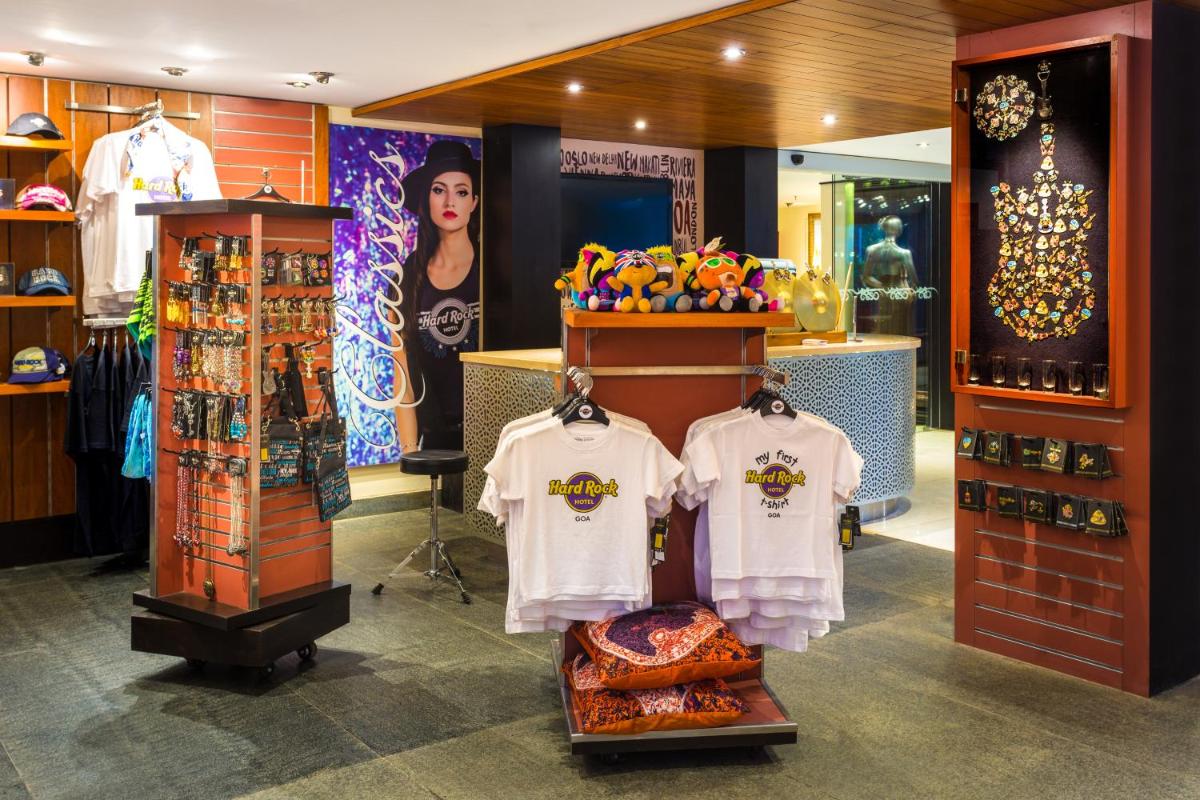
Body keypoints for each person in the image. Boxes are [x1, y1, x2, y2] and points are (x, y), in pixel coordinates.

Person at [391, 140, 481, 457]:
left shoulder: (493, 271)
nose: (450, 201)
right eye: (439, 190)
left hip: (493, 430)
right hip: (435, 438)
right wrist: (409, 449)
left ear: (474, 201)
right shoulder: (407, 277)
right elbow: (401, 374)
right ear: (426, 198)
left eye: (461, 192)